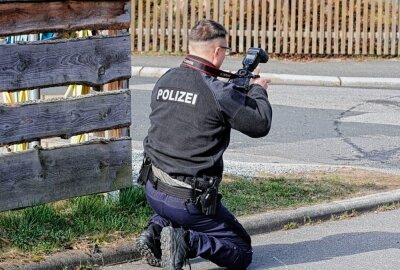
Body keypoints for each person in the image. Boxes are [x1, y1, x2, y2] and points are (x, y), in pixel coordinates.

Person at [136, 19, 272, 270]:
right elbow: (259, 124)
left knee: (175, 205)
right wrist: (257, 90)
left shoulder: (166, 79)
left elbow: (201, 101)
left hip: (153, 189)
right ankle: (186, 241)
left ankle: (156, 231)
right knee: (241, 252)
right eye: (226, 51)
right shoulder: (219, 92)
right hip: (189, 201)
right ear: (218, 51)